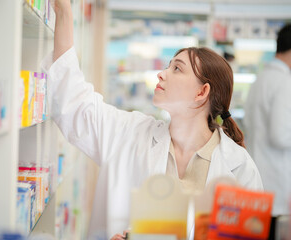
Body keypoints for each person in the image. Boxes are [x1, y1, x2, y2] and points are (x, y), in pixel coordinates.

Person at [46, 0, 263, 239]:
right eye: (168, 66)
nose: (161, 73)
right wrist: (63, 10)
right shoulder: (130, 133)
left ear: (201, 93)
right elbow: (73, 103)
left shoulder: (240, 168)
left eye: (177, 69)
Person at [244, 24, 291, 232]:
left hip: (257, 175)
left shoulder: (260, 78)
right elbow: (280, 136)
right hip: (275, 181)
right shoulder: (284, 82)